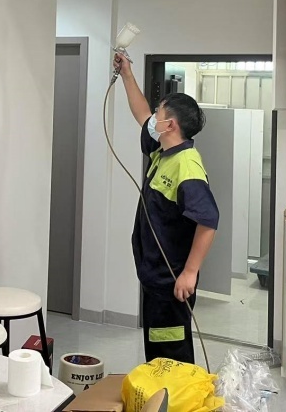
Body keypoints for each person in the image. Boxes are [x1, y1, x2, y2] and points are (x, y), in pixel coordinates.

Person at [114, 53, 219, 364]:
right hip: (154, 278)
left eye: (159, 114)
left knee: (171, 357)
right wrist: (126, 74)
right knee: (157, 355)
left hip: (171, 283)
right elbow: (142, 114)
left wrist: (190, 273)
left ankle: (174, 394)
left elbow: (208, 221)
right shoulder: (164, 151)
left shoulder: (187, 167)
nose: (153, 119)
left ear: (170, 124)